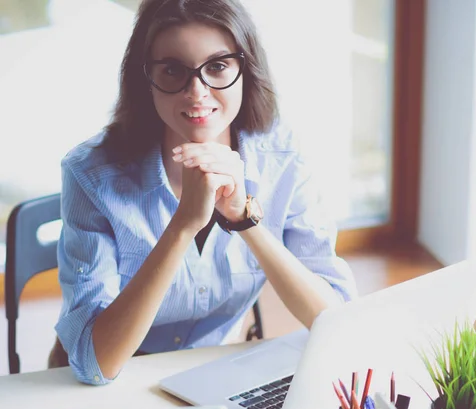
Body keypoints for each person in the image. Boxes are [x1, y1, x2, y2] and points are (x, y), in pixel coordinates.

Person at [53, 0, 356, 385]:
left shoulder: (282, 157)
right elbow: (95, 365)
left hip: (218, 372)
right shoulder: (90, 175)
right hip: (119, 376)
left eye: (217, 67)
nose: (197, 92)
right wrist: (181, 227)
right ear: (145, 79)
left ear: (245, 69)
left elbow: (336, 319)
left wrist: (243, 219)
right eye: (173, 70)